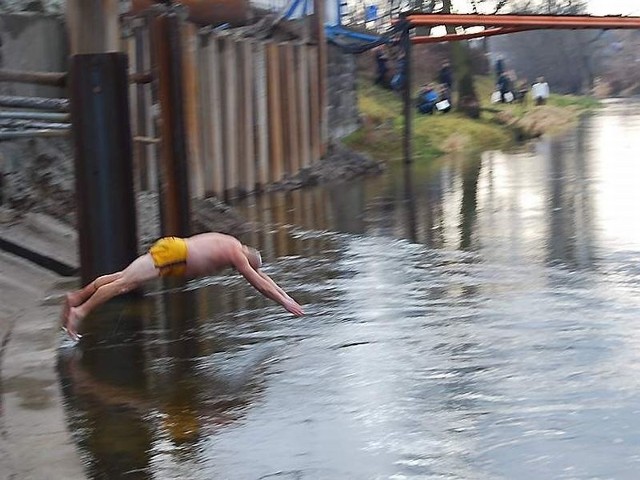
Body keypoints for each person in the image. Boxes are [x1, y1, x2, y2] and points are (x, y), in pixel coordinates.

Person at [61, 232, 304, 341]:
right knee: (124, 285)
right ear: (246, 259)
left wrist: (288, 297)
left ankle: (76, 297)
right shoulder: (235, 254)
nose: (242, 271)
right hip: (175, 255)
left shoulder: (233, 244)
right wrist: (283, 303)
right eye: (247, 267)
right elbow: (259, 284)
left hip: (174, 254)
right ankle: (79, 312)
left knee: (120, 277)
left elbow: (264, 278)